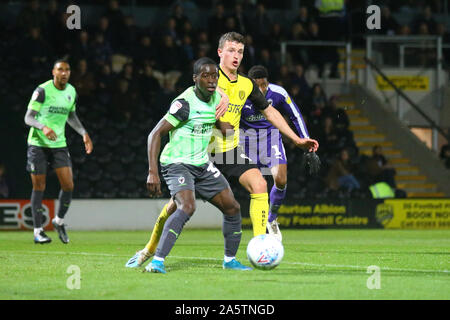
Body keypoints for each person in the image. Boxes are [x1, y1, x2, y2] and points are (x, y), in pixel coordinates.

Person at [126, 32, 318, 268]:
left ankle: (260, 247)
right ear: (220, 53)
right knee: (176, 206)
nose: (235, 56)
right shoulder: (210, 79)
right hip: (201, 153)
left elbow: (269, 112)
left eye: (239, 51)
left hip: (230, 150)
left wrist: (296, 139)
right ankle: (149, 250)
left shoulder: (247, 84)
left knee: (259, 184)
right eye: (230, 50)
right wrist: (219, 93)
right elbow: (195, 96)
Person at [142, 57, 251, 273]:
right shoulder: (184, 104)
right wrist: (152, 172)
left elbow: (220, 124)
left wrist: (232, 125)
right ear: (195, 79)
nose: (211, 80)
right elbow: (155, 134)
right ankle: (157, 262)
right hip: (177, 163)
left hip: (200, 164)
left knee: (233, 207)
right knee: (187, 207)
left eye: (214, 76)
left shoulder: (215, 99)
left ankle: (230, 261)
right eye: (206, 76)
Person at [240, 65, 314, 241]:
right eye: (257, 86)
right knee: (257, 186)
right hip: (245, 141)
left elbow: (295, 115)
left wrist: (305, 140)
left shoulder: (278, 93)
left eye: (264, 84)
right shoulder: (240, 94)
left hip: (270, 138)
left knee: (281, 180)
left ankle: (271, 220)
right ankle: (258, 229)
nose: (262, 89)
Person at [24, 59, 93, 244]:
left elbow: (71, 115)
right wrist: (43, 127)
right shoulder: (42, 91)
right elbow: (28, 117)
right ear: (53, 72)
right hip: (38, 144)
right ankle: (38, 231)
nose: (64, 73)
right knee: (39, 187)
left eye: (67, 70)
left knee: (69, 185)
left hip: (58, 145)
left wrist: (83, 133)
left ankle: (58, 221)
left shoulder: (71, 91)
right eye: (60, 70)